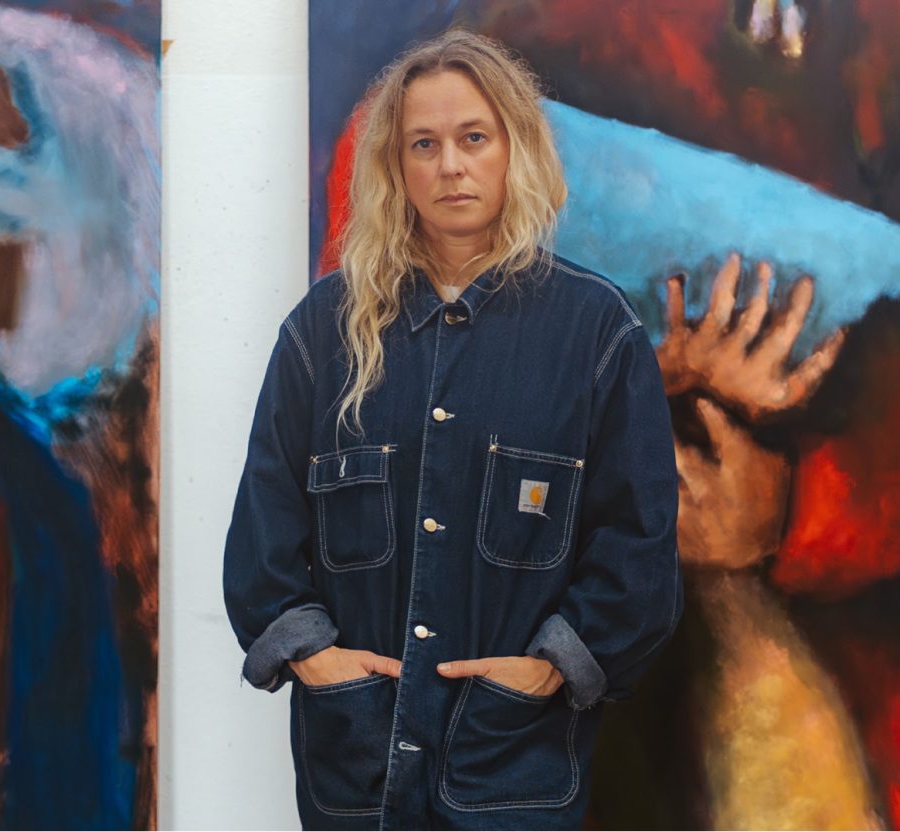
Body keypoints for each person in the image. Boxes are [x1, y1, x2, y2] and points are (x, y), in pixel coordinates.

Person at [222, 28, 687, 829]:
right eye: (424, 144)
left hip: (517, 774)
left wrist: (554, 666)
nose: (450, 166)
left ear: (515, 149)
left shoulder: (596, 333)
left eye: (474, 138)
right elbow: (265, 532)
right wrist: (316, 657)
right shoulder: (322, 332)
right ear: (395, 167)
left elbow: (639, 548)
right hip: (356, 779)